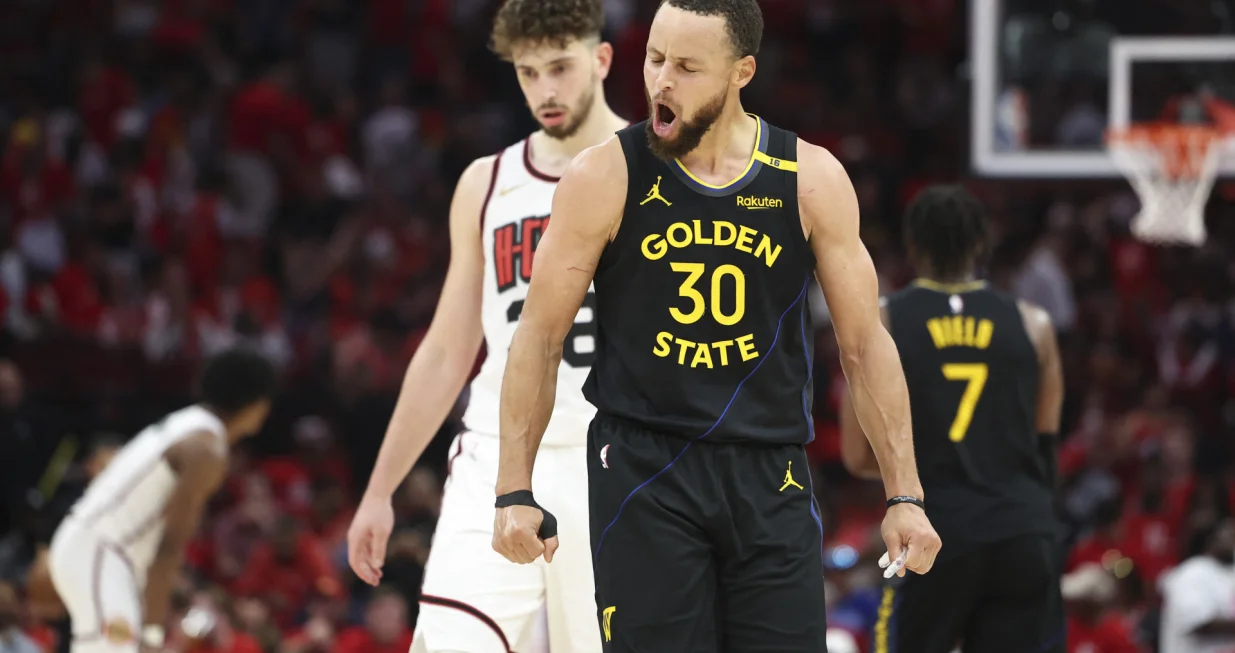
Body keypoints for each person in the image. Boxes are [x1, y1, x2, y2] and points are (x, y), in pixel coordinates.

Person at [491, 0, 940, 650]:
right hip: (644, 468)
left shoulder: (806, 178)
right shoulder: (604, 175)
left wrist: (905, 495)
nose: (661, 81)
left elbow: (864, 345)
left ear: (740, 72)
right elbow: (537, 333)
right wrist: (513, 487)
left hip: (769, 472)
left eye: (686, 66)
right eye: (653, 59)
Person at [344, 0, 628, 651]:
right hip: (497, 461)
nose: (545, 90)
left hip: (617, 460)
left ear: (602, 59)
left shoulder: (658, 172)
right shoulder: (486, 181)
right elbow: (448, 348)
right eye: (529, 74)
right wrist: (380, 488)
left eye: (560, 67)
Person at [840, 184, 1066, 653]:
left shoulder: (882, 321)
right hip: (1022, 530)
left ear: (914, 245)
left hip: (932, 531)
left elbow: (858, 455)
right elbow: (1045, 442)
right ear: (981, 243)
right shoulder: (1033, 323)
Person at [46, 348, 275, 653]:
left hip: (93, 550)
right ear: (255, 403)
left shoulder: (185, 423)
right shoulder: (207, 450)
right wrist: (153, 632)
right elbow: (170, 547)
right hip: (102, 553)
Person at [1159, 519, 1235, 653]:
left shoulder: (1229, 572)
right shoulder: (1191, 572)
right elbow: (1200, 623)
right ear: (1211, 540)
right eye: (1228, 535)